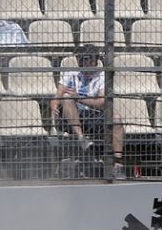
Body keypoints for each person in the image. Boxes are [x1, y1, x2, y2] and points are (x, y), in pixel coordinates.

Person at [51, 46, 126, 178]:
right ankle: (82, 139)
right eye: (81, 60)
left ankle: (117, 163)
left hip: (93, 114)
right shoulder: (70, 74)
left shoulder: (102, 76)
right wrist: (54, 105)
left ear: (95, 61)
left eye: (88, 60)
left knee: (117, 120)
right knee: (67, 98)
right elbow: (56, 98)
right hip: (70, 116)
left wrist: (79, 98)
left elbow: (102, 102)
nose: (84, 63)